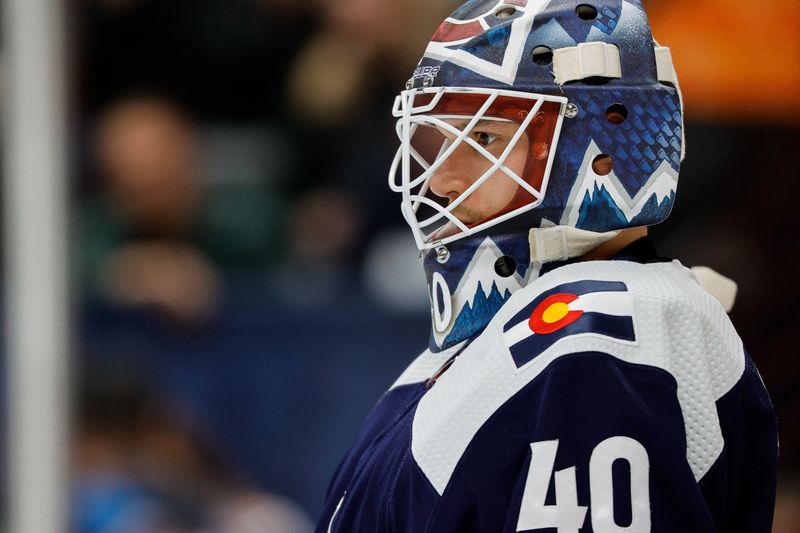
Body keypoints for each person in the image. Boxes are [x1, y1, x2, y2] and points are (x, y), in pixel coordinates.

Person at [316, 1, 778, 531]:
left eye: (484, 138)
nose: (441, 181)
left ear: (603, 149)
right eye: (443, 141)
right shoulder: (492, 342)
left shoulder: (601, 332)